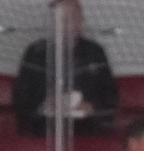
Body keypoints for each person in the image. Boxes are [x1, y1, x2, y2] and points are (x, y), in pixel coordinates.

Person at [14, 0, 117, 138]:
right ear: (51, 22)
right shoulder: (35, 52)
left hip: (88, 131)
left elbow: (111, 97)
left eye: (74, 17)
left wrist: (92, 107)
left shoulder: (95, 52)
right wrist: (42, 106)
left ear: (81, 21)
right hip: (42, 132)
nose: (69, 23)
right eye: (62, 18)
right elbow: (20, 100)